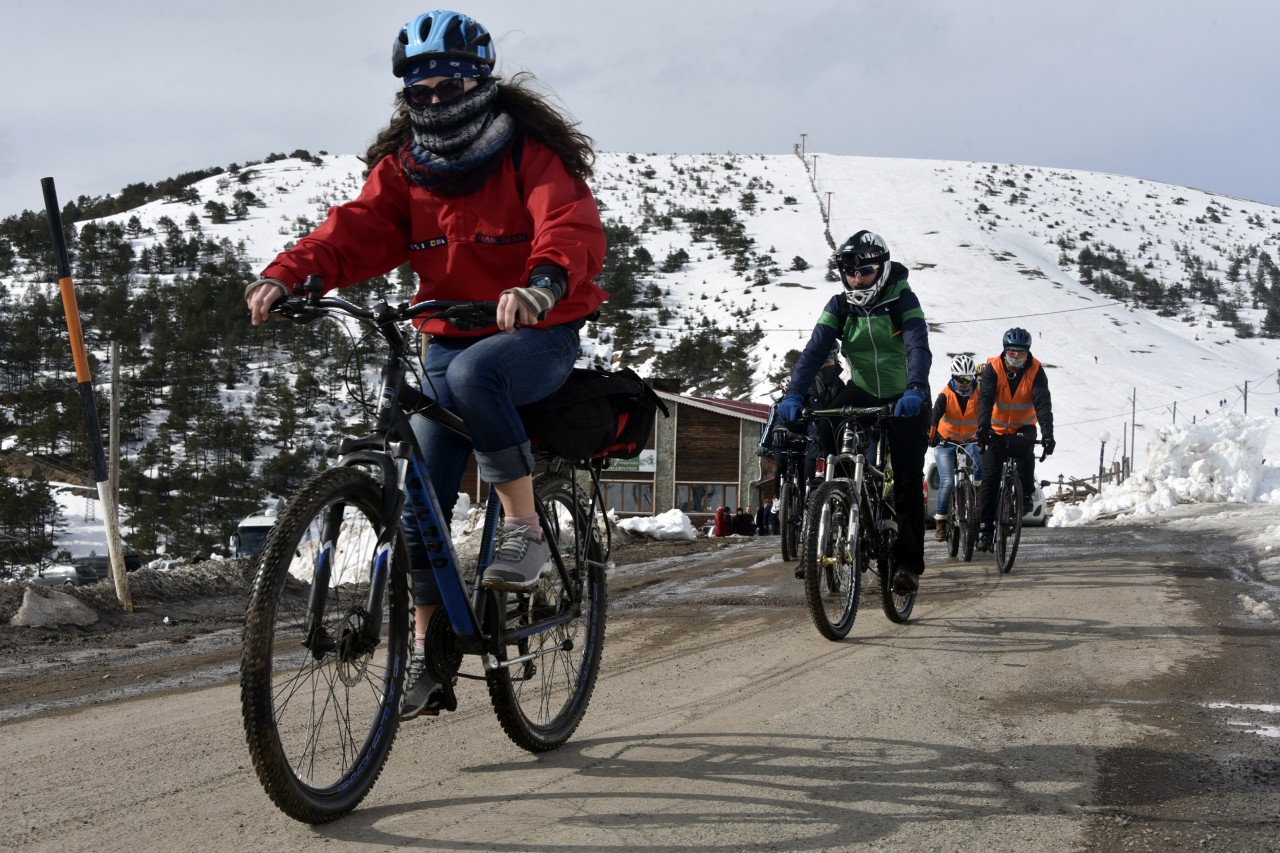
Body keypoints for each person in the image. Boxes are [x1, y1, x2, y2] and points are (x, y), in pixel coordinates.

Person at [244, 10, 607, 719]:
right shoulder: (407, 170)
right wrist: (292, 274)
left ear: (480, 83)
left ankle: (527, 531)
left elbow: (569, 222)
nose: (434, 102)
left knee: (477, 376)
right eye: (420, 91)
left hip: (539, 330)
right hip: (446, 336)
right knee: (418, 507)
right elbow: (352, 231)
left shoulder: (525, 155)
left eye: (449, 87)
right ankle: (429, 657)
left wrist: (542, 281)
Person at [777, 230, 933, 594]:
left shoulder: (902, 300)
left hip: (905, 394)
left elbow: (917, 346)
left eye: (864, 272)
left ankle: (908, 565)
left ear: (882, 269)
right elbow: (815, 350)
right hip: (862, 389)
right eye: (850, 272)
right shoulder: (839, 305)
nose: (857, 279)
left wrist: (915, 388)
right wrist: (795, 392)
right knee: (829, 423)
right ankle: (840, 504)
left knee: (909, 479)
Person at [974, 328, 1055, 552]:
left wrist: (1048, 434)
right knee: (990, 477)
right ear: (1004, 351)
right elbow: (985, 398)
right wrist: (983, 426)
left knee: (1026, 452)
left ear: (1028, 353)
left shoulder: (1036, 371)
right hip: (996, 429)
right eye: (1012, 353)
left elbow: (1043, 404)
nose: (1016, 358)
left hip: (1023, 426)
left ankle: (1026, 492)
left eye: (1021, 354)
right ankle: (985, 530)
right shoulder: (993, 368)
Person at [929, 354, 983, 541]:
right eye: (960, 379)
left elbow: (987, 415)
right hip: (946, 442)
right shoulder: (945, 395)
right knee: (948, 481)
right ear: (953, 377)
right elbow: (933, 418)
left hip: (969, 439)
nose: (964, 383)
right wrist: (932, 436)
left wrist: (986, 432)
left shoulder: (979, 393)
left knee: (980, 466)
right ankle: (941, 522)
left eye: (968, 378)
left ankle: (977, 504)